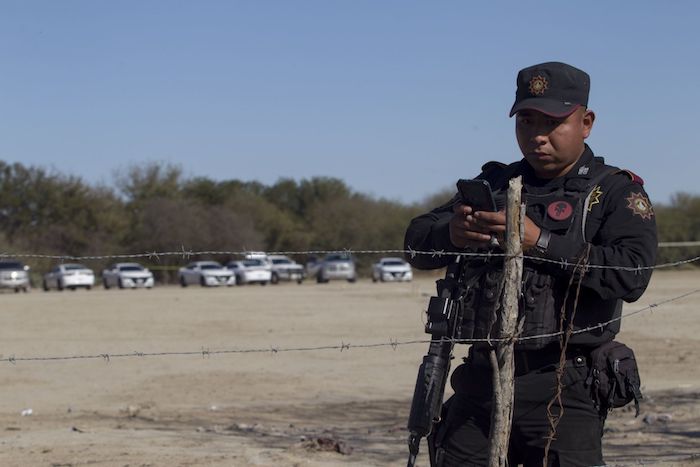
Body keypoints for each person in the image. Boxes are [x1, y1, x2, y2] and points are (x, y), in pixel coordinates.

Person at [404, 62, 658, 466]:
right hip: (480, 382)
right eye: (526, 121)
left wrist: (539, 242)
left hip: (564, 386)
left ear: (586, 122)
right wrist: (451, 235)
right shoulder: (496, 183)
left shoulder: (613, 191)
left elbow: (632, 275)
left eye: (553, 122)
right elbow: (415, 243)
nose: (538, 136)